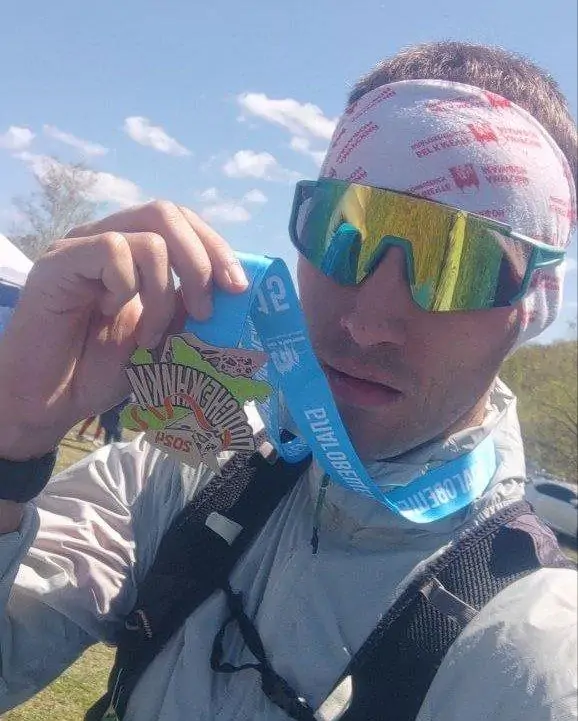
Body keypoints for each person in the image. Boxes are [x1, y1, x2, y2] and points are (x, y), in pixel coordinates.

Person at [0, 41, 576, 721]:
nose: (368, 323)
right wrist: (13, 436)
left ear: (534, 305)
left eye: (461, 265)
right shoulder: (182, 471)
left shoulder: (531, 653)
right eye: (343, 232)